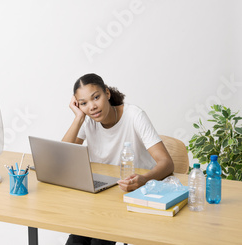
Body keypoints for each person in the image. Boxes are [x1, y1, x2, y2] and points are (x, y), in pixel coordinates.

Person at [62, 73, 174, 245]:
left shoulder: (134, 115)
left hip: (134, 193)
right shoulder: (87, 120)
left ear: (107, 93)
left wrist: (144, 179)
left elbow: (167, 163)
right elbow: (63, 156)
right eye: (84, 103)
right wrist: (78, 117)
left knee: (99, 242)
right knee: (75, 241)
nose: (92, 107)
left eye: (96, 97)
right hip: (102, 197)